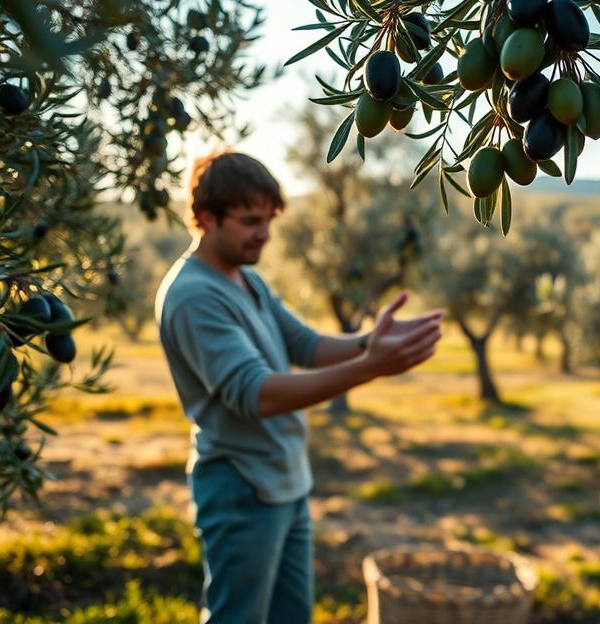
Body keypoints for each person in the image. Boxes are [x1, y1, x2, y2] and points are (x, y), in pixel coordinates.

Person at [154, 151, 442, 623]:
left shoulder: (248, 280)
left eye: (268, 220)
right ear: (206, 217)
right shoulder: (193, 295)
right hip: (241, 485)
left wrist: (371, 340)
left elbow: (304, 345)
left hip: (284, 480)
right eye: (250, 221)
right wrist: (371, 366)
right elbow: (257, 394)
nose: (265, 234)